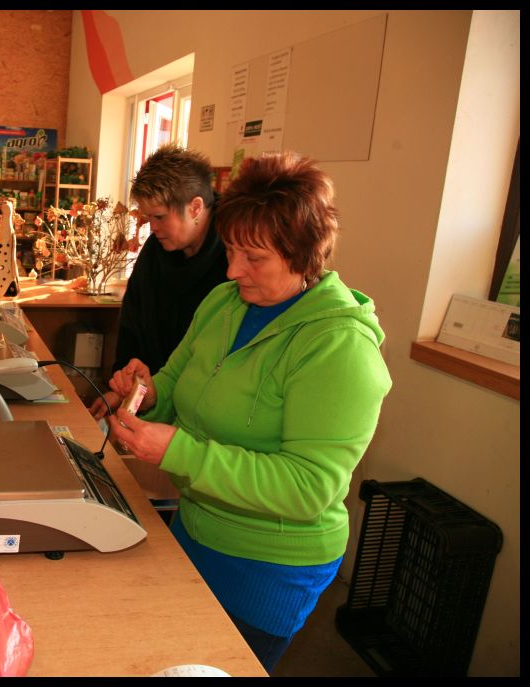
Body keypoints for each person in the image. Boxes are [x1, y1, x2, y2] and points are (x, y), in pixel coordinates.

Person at [106, 151, 392, 673]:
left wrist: (179, 451)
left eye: (254, 258)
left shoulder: (339, 347)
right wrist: (145, 391)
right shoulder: (225, 302)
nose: (234, 269)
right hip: (197, 528)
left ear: (304, 256)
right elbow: (175, 382)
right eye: (233, 250)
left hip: (270, 564)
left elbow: (308, 487)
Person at [89, 144, 228, 420]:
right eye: (148, 217)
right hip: (153, 400)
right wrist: (122, 388)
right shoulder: (155, 251)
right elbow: (133, 327)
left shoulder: (233, 258)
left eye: (160, 217)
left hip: (205, 412)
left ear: (195, 207)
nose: (152, 227)